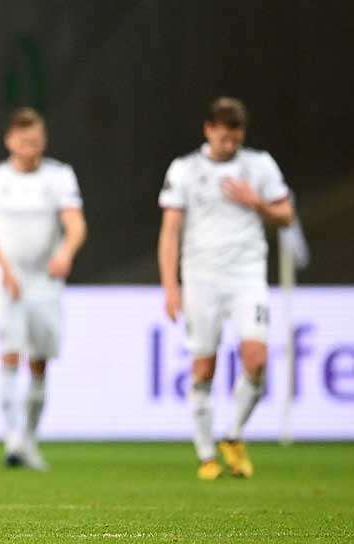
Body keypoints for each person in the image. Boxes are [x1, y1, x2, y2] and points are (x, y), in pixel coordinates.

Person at [157, 97, 294, 480]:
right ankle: (206, 453)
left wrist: (258, 203)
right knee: (203, 367)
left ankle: (233, 435)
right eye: (223, 138)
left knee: (256, 359)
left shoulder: (259, 166)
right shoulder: (185, 170)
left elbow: (286, 216)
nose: (229, 145)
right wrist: (171, 287)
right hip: (200, 278)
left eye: (235, 138)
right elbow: (170, 232)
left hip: (247, 276)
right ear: (208, 131)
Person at [0, 107, 86, 470]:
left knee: (39, 361)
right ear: (9, 141)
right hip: (6, 279)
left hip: (44, 281)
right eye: (22, 140)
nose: (28, 146)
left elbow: (75, 223)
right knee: (10, 352)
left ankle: (29, 439)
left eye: (34, 140)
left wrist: (66, 252)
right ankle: (12, 440)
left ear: (43, 142)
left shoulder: (59, 176)